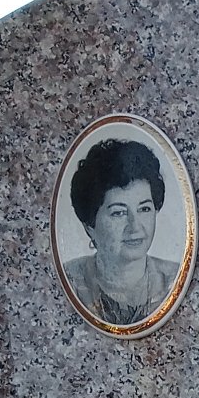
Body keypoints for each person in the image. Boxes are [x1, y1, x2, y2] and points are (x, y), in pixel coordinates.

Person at [62, 137, 177, 326]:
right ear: (90, 225)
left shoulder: (173, 279)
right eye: (119, 213)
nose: (135, 226)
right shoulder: (68, 281)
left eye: (144, 209)